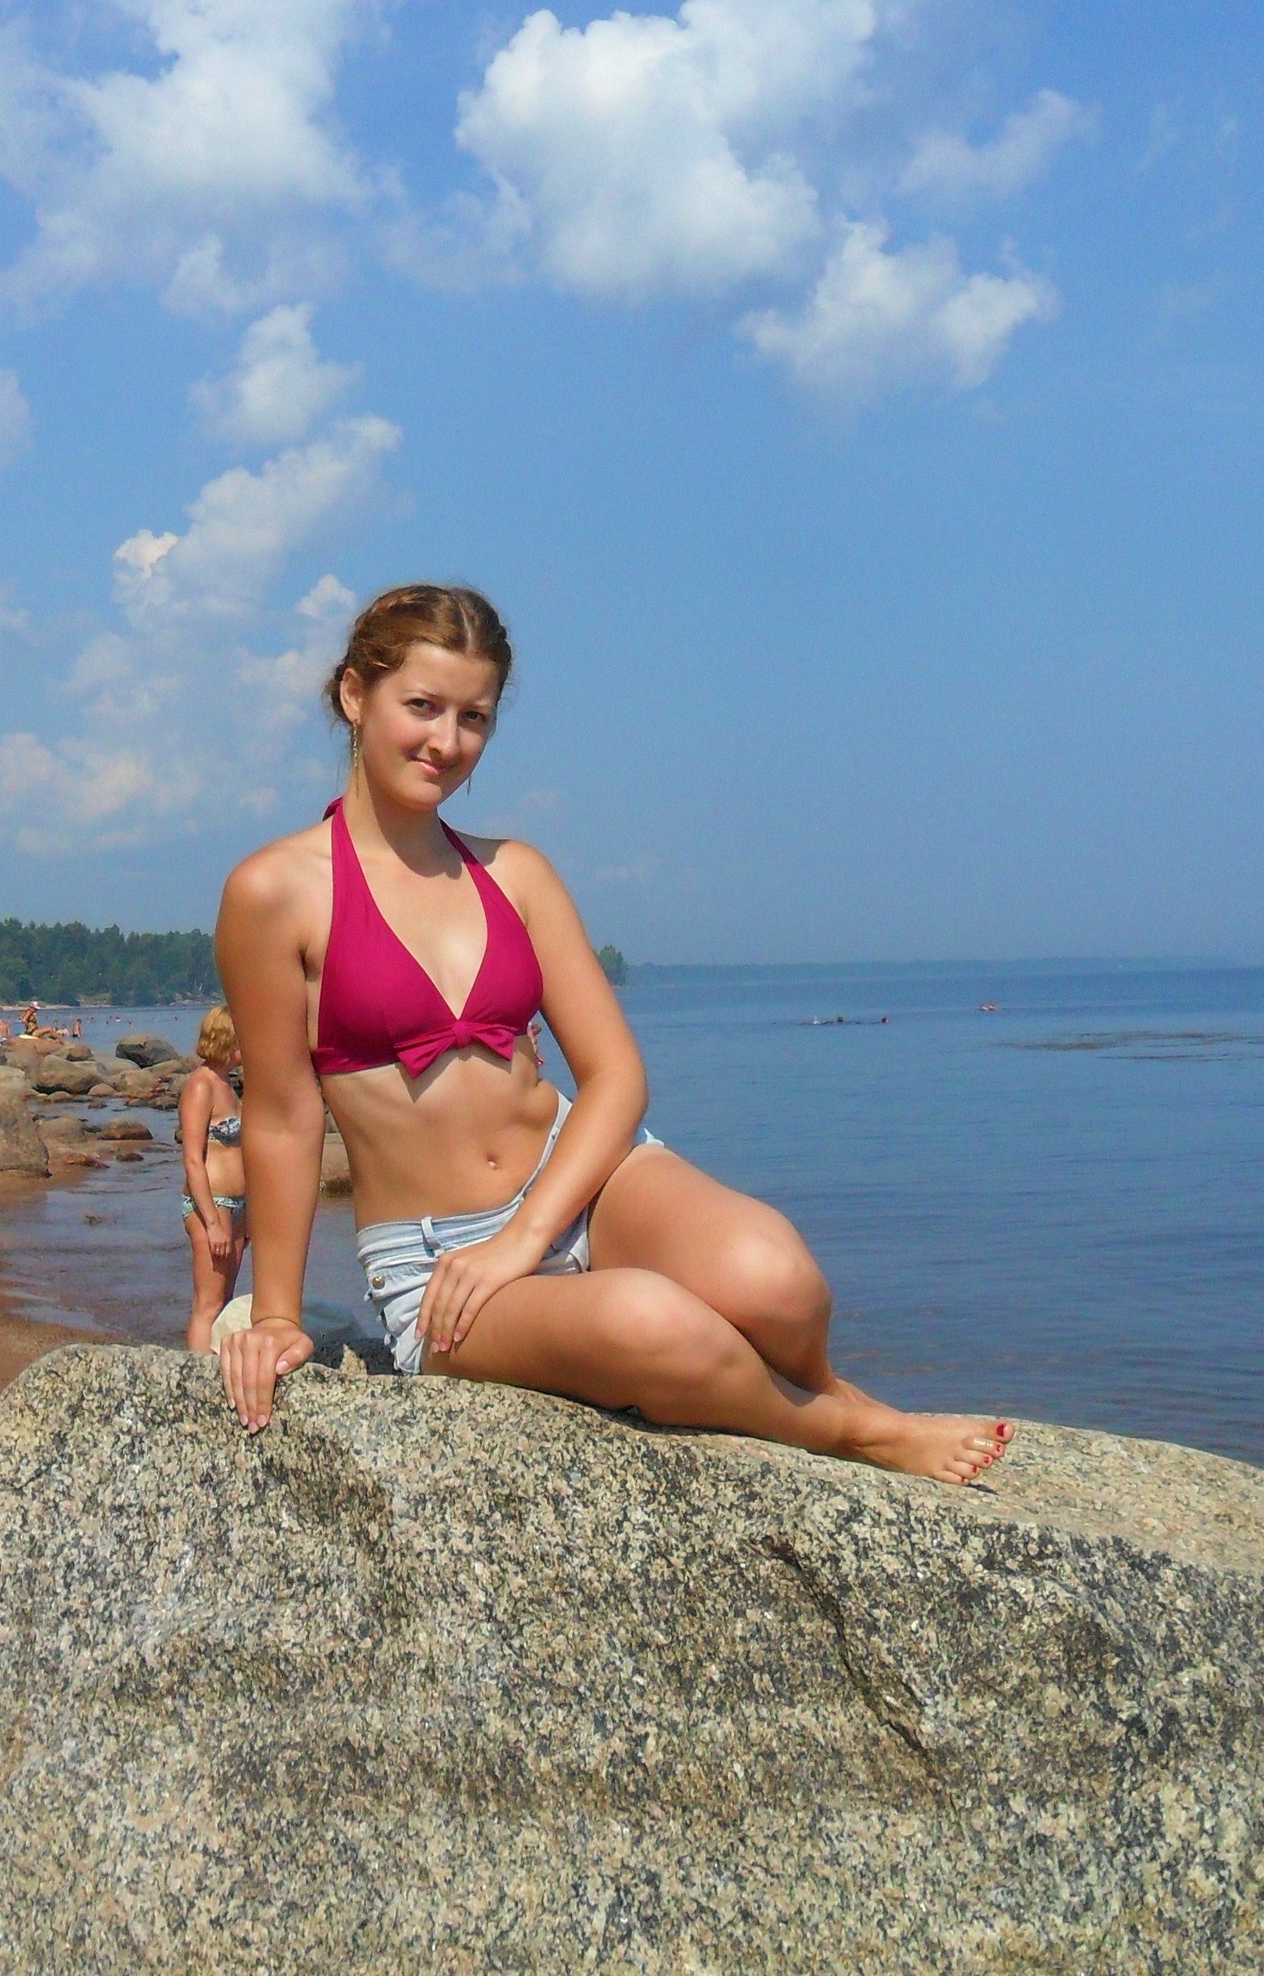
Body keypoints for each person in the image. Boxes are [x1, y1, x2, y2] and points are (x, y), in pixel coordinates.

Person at [214, 584, 1012, 1486]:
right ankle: (849, 1430)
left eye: (474, 718)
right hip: (440, 1261)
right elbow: (282, 1115)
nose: (447, 742)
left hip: (587, 1185)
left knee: (778, 1279)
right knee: (652, 1324)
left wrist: (528, 1235)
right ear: (356, 695)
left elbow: (616, 1075)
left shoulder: (516, 874)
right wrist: (275, 1313)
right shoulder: (276, 892)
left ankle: (828, 1387)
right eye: (423, 706)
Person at [178, 1005, 250, 1351]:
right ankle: (197, 1373)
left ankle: (216, 1369)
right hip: (212, 1206)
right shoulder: (200, 1085)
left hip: (237, 1207)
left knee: (226, 1303)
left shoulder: (228, 1084)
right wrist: (211, 1223)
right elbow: (193, 1159)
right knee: (208, 1305)